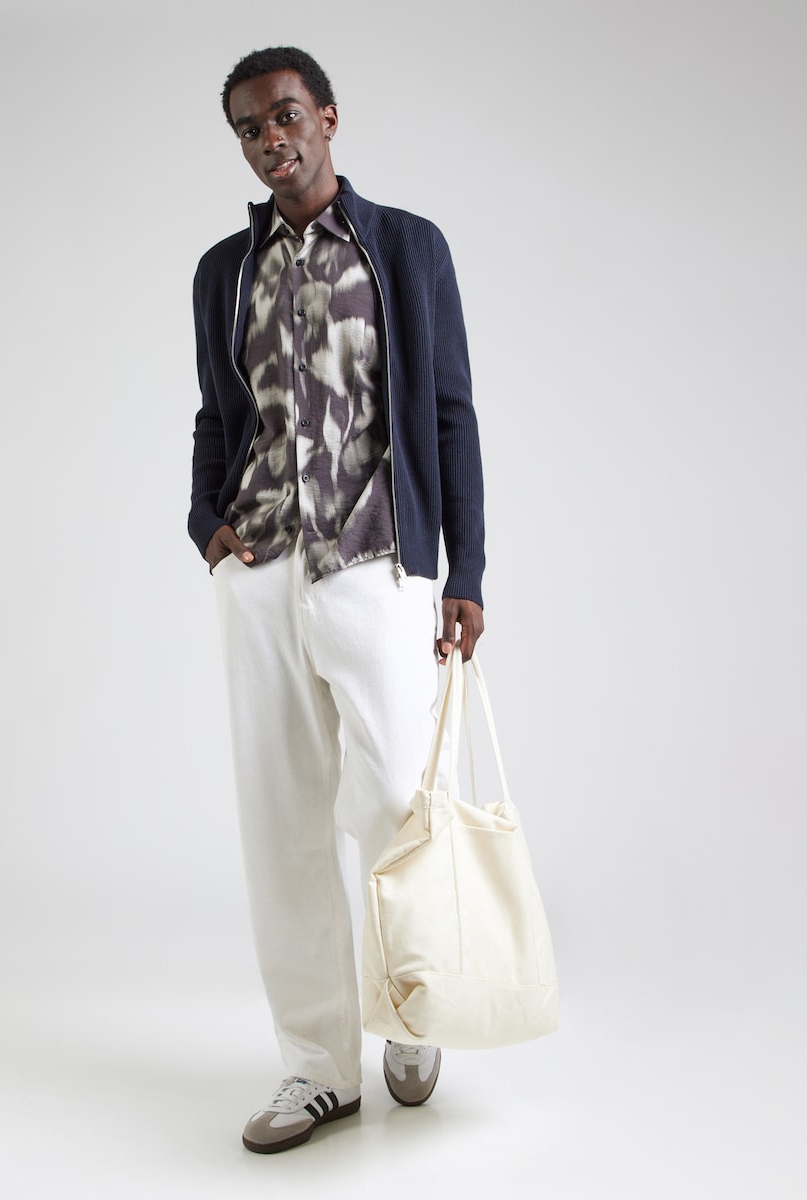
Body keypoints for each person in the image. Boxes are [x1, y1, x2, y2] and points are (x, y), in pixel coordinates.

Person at [188, 45, 486, 1154]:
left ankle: (410, 1009)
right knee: (282, 820)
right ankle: (318, 1067)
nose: (271, 139)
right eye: (250, 128)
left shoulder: (405, 247)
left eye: (285, 115)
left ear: (327, 116)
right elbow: (218, 414)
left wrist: (468, 572)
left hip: (378, 563)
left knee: (398, 798)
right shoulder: (225, 271)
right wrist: (204, 524)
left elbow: (449, 411)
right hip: (263, 570)